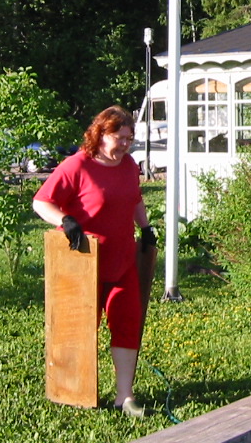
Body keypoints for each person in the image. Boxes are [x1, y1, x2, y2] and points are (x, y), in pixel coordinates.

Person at [32, 105, 157, 417]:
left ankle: (124, 397)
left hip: (123, 260)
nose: (125, 144)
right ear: (101, 135)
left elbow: (135, 198)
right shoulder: (77, 165)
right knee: (80, 328)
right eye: (119, 138)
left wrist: (145, 227)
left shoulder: (129, 165)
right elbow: (41, 202)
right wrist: (65, 221)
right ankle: (73, 390)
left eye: (129, 138)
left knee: (127, 324)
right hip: (84, 262)